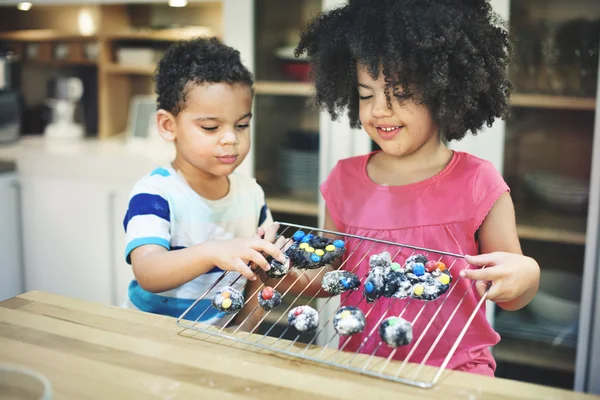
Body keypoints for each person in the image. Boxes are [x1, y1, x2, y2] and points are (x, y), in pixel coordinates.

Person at [270, 0, 540, 376]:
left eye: (400, 92)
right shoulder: (344, 181)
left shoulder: (479, 182)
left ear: (445, 91)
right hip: (362, 368)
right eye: (367, 95)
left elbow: (513, 293)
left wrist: (527, 274)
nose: (380, 109)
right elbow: (335, 276)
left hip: (455, 373)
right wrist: (284, 273)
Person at [122, 37, 286, 330]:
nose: (230, 138)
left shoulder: (251, 195)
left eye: (241, 125)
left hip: (218, 341)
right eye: (211, 127)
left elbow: (257, 282)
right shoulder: (155, 194)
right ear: (168, 126)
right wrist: (213, 251)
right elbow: (148, 271)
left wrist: (243, 336)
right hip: (151, 338)